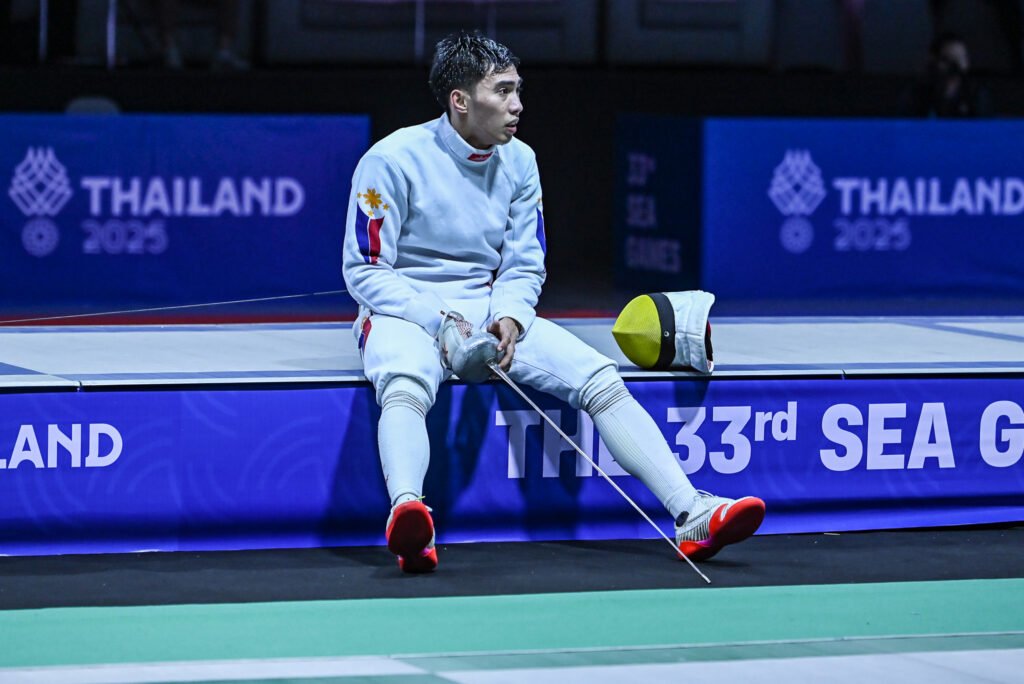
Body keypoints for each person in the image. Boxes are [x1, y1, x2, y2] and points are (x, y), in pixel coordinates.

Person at [342, 32, 765, 574]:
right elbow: (366, 269)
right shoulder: (391, 160)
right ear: (460, 100)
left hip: (488, 308)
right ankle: (409, 513)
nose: (518, 105)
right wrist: (437, 321)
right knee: (405, 380)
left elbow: (524, 261)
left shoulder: (519, 161)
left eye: (519, 90)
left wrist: (510, 317)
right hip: (403, 310)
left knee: (598, 378)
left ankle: (693, 512)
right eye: (503, 91)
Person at [910, 32, 992, 117]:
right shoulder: (918, 93)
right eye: (947, 60)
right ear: (933, 59)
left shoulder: (976, 93)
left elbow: (985, 126)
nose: (955, 67)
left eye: (960, 58)